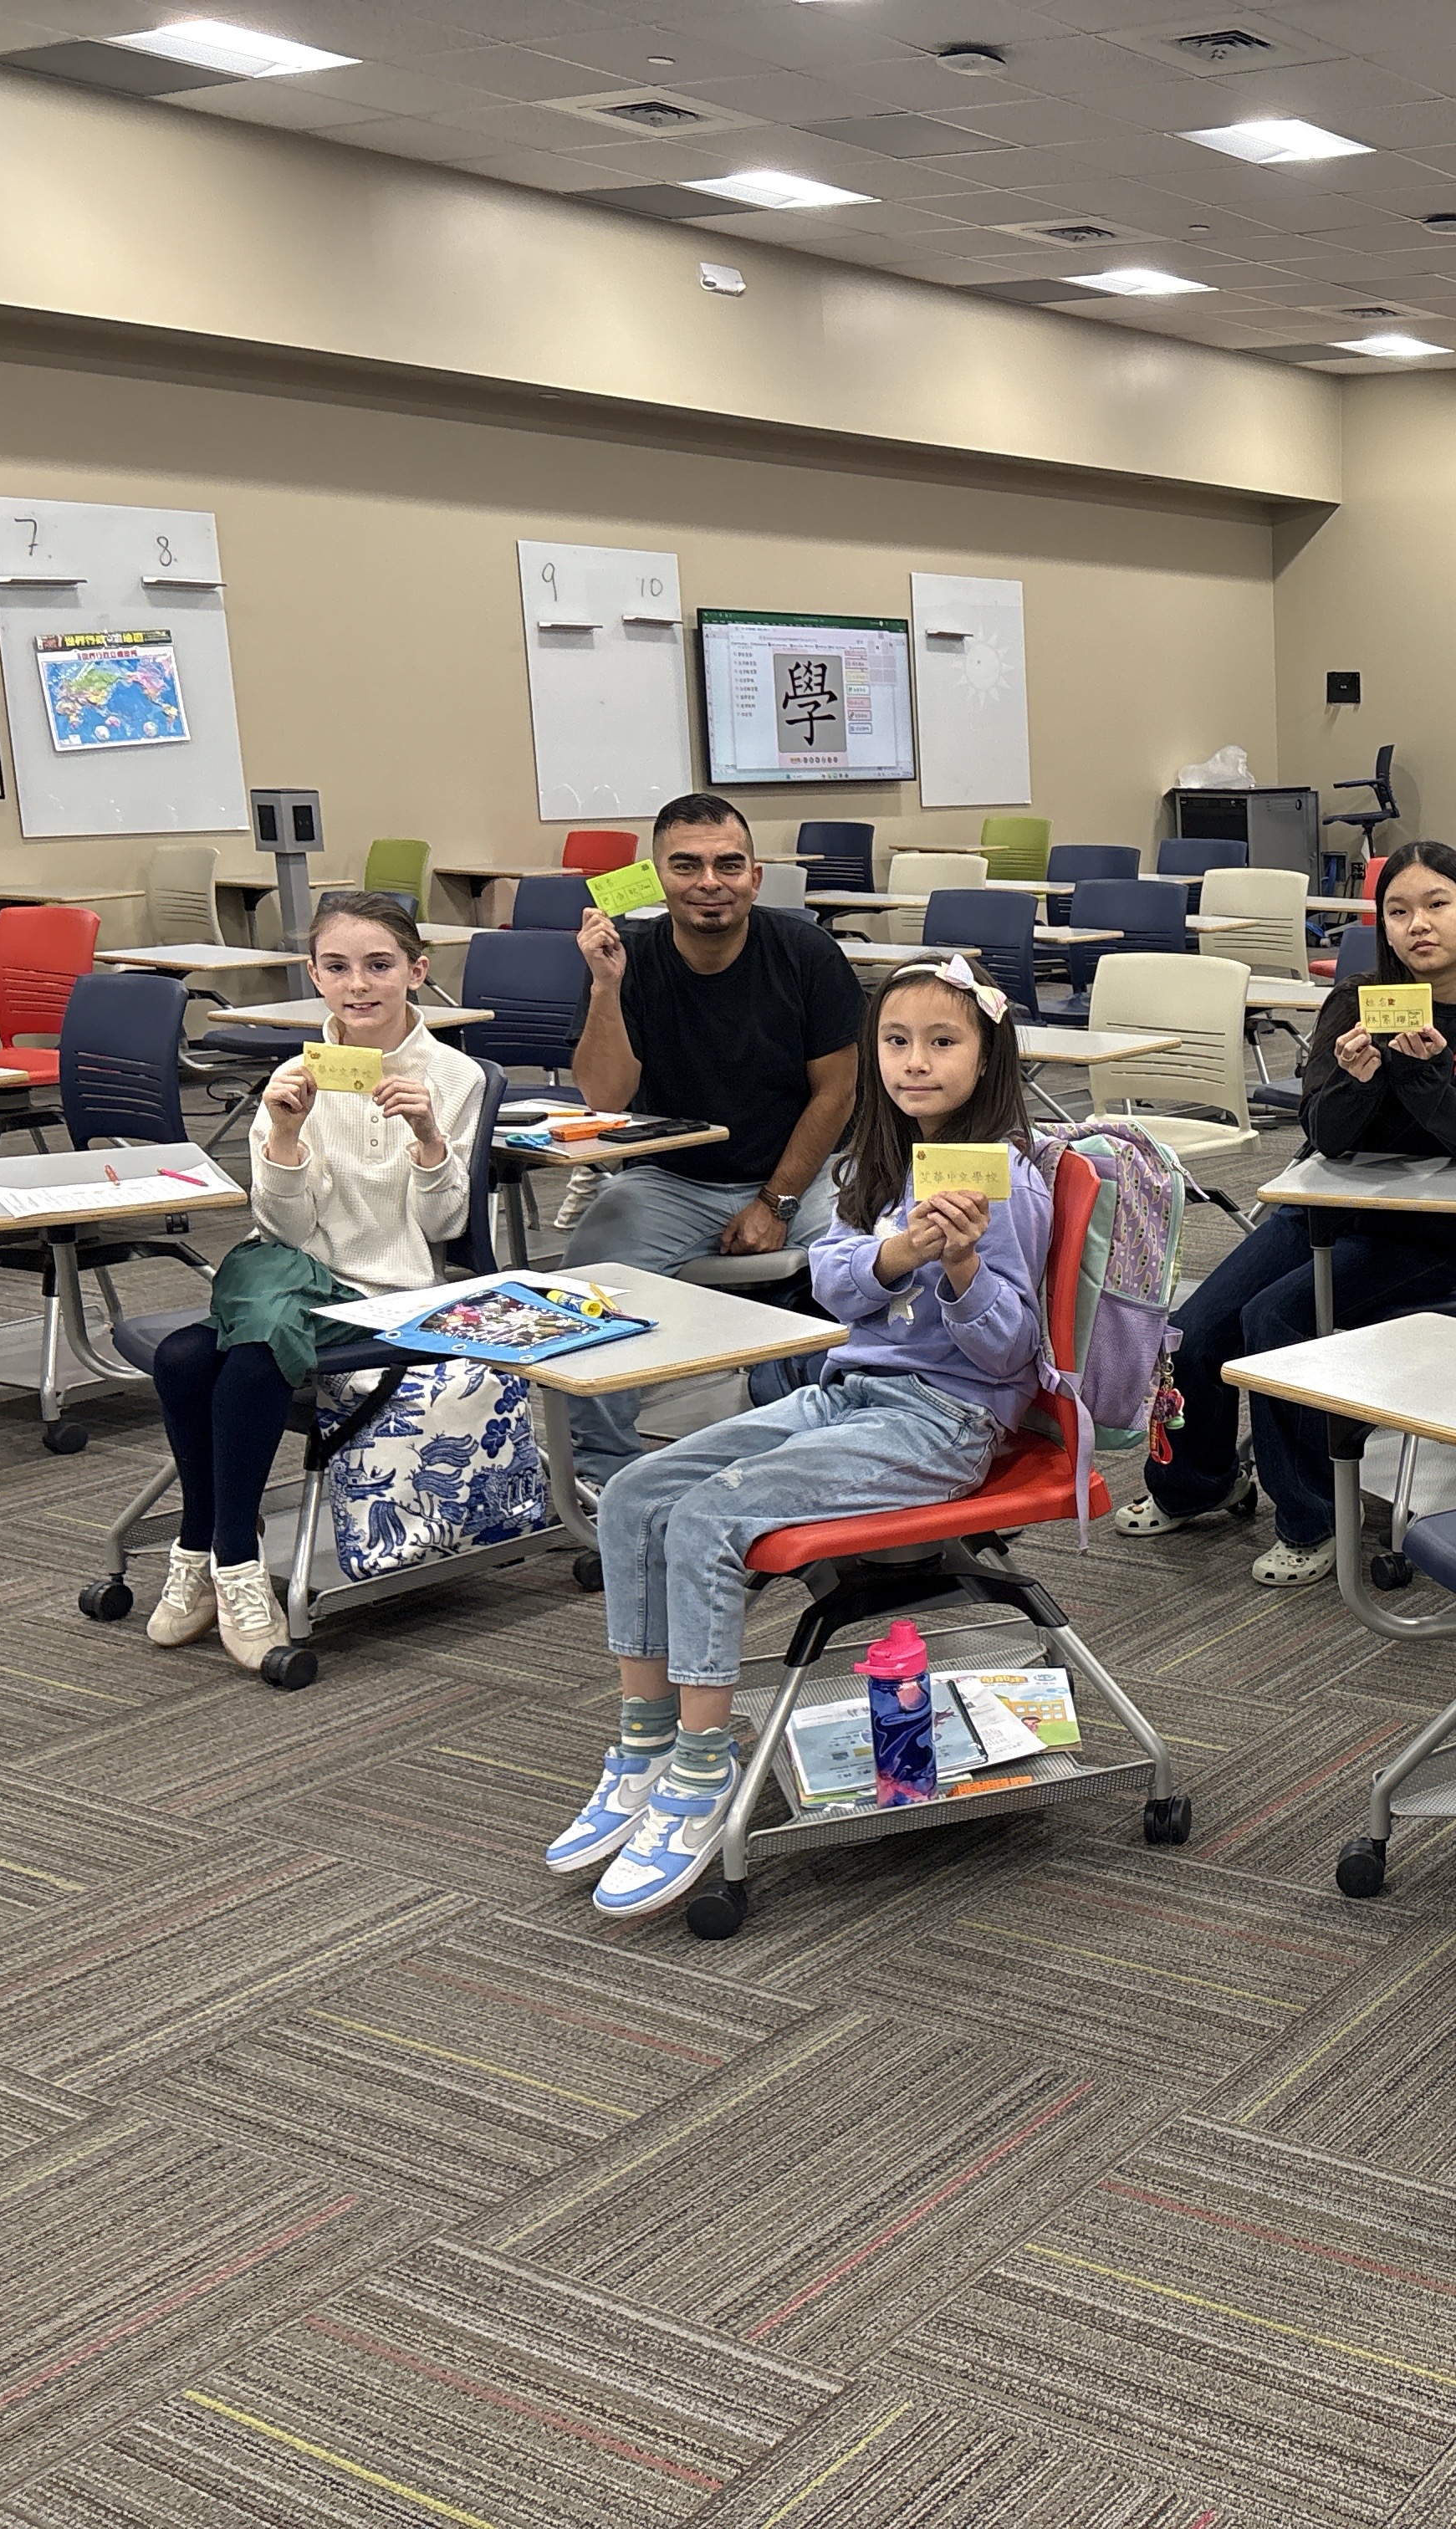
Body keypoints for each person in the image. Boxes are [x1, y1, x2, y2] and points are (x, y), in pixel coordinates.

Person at [544, 956, 1055, 1918]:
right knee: (638, 1494)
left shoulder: (1009, 1181)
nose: (915, 1062)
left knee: (708, 1517)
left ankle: (704, 1768)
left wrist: (962, 1268)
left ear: (987, 1056)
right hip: (849, 1394)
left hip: (945, 1422)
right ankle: (645, 1742)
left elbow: (1007, 1356)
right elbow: (830, 1283)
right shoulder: (873, 1162)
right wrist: (899, 1252)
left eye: (942, 1042)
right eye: (896, 1042)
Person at [1121, 841, 1456, 1587]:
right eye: (1398, 911)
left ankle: (1313, 1518)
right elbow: (1324, 1132)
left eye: (1437, 904)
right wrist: (1355, 1081)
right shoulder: (1357, 1000)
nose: (1418, 924)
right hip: (1323, 1211)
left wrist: (1421, 1073)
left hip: (1430, 1233)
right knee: (1197, 1329)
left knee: (1277, 1320)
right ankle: (1198, 1485)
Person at [146, 892, 491, 1671]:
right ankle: (220, 1554)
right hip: (293, 1275)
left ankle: (219, 1555)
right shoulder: (294, 1074)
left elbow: (442, 1228)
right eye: (337, 967)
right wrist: (286, 1135)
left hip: (388, 1296)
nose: (358, 985)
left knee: (247, 1354)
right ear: (314, 975)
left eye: (379, 965)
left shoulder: (454, 1076)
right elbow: (285, 1229)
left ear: (416, 971)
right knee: (181, 1357)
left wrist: (429, 1136)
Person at [563, 791, 860, 1470]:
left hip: (807, 1172)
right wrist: (605, 988)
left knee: (875, 1262)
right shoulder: (628, 959)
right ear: (658, 877)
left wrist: (776, 1202)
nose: (709, 882)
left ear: (755, 876)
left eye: (728, 865)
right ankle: (600, 1471)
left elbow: (836, 1093)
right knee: (587, 1289)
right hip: (673, 1180)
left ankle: (848, 1436)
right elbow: (604, 1098)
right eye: (686, 865)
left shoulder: (806, 954)